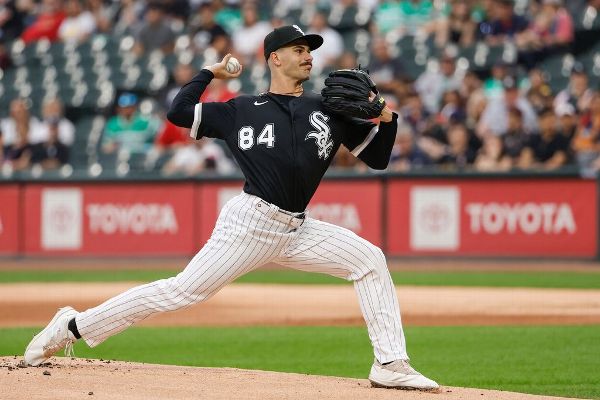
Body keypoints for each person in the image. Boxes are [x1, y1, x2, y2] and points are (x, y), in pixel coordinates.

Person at [24, 25, 439, 391]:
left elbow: (378, 158)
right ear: (274, 58)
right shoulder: (241, 109)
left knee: (369, 258)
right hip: (250, 225)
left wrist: (388, 117)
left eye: (309, 49)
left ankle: (390, 364)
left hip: (298, 229)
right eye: (298, 49)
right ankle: (72, 325)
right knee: (181, 292)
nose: (308, 55)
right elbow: (178, 112)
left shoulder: (327, 110)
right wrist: (209, 73)